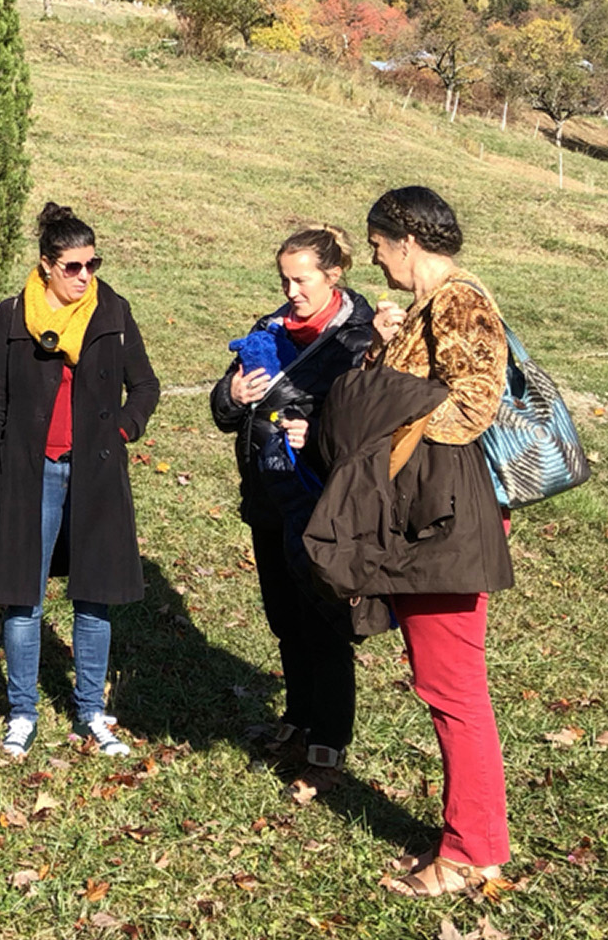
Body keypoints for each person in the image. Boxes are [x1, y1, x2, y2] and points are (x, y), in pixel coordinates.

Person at [320, 184, 514, 898]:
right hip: (427, 514)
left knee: (452, 688)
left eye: (378, 246)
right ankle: (472, 844)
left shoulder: (460, 300)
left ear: (407, 241)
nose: (376, 259)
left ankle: (470, 853)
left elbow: (473, 404)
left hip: (446, 518)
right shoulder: (429, 308)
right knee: (444, 684)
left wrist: (388, 422)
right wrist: (386, 350)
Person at [0, 202, 160, 759]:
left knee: (95, 597)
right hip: (28, 472)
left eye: (93, 264)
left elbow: (145, 386)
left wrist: (122, 428)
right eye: (73, 266)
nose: (85, 276)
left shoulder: (112, 311)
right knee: (22, 596)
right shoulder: (12, 317)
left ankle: (91, 711)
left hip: (97, 472)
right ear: (46, 265)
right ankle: (22, 712)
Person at [209, 224, 376, 772]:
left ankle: (329, 735)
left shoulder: (360, 340)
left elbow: (372, 424)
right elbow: (223, 411)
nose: (290, 291)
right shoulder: (268, 328)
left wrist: (320, 434)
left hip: (321, 501)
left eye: (301, 280)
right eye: (284, 279)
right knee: (284, 616)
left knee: (322, 620)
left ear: (334, 276)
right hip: (268, 495)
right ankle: (299, 716)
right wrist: (231, 394)